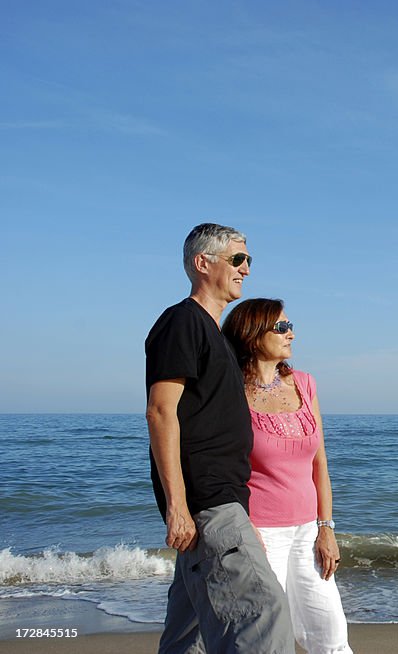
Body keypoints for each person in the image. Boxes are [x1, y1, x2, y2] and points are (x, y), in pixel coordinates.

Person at [145, 224, 294, 654]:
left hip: (222, 504)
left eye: (248, 260)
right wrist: (177, 507)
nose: (246, 269)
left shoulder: (217, 337)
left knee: (187, 635)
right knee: (263, 615)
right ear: (202, 262)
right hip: (208, 503)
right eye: (237, 259)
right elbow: (161, 411)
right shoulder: (182, 321)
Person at [222, 298, 354, 654]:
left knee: (330, 633)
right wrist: (244, 528)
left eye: (290, 325)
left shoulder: (305, 384)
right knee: (264, 636)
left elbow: (319, 463)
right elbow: (220, 466)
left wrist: (326, 528)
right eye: (280, 327)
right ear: (251, 336)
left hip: (308, 531)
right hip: (260, 533)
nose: (290, 333)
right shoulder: (230, 392)